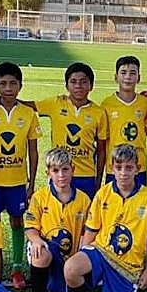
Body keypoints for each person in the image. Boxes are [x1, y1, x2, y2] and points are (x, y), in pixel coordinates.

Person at [63, 143, 147, 292]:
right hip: (101, 251)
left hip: (128, 265)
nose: (123, 173)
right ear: (112, 169)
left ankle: (114, 287)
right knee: (71, 269)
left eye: (129, 168)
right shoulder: (103, 193)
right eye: (119, 167)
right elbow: (91, 230)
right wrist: (82, 258)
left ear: (137, 169)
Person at [0, 61, 40, 291]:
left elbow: (32, 150)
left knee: (17, 221)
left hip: (16, 182)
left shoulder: (28, 113)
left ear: (20, 86)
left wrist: (31, 183)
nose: (8, 88)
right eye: (3, 83)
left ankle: (16, 268)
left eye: (13, 83)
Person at [24, 146, 91, 292]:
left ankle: (53, 282)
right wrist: (37, 241)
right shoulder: (39, 197)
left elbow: (88, 231)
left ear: (72, 170)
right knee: (41, 254)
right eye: (55, 171)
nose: (61, 175)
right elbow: (30, 227)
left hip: (69, 256)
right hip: (47, 249)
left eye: (65, 169)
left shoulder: (84, 200)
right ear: (48, 173)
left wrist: (80, 254)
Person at [35, 63, 108, 198]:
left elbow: (102, 151)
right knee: (57, 214)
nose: (78, 86)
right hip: (59, 173)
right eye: (73, 82)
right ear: (67, 85)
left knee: (85, 215)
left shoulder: (99, 113)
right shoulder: (56, 103)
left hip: (86, 175)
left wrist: (97, 181)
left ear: (91, 86)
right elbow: (28, 106)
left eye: (83, 82)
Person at [100, 55, 147, 187]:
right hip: (115, 166)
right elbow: (103, 136)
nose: (128, 77)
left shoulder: (145, 103)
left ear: (139, 78)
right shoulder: (106, 104)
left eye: (132, 73)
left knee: (138, 201)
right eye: (123, 73)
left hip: (138, 166)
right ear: (116, 77)